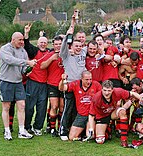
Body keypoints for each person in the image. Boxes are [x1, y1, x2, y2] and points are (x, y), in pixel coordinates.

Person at [0, 32, 36, 140]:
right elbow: (10, 60)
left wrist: (28, 69)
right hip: (6, 81)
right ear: (13, 39)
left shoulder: (23, 51)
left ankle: (21, 131)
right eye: (20, 40)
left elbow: (23, 68)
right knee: (6, 107)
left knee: (22, 105)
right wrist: (27, 62)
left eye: (22, 40)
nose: (22, 42)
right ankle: (7, 131)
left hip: (18, 82)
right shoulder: (5, 49)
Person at [88, 80, 141, 147]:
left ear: (112, 90)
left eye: (109, 90)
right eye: (104, 90)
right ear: (101, 89)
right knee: (100, 140)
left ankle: (123, 140)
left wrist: (142, 100)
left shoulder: (118, 91)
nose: (106, 93)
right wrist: (91, 128)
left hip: (112, 113)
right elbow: (91, 115)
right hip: (101, 116)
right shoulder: (96, 98)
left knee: (122, 112)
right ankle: (108, 129)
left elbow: (132, 93)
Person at [59, 13, 87, 141]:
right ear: (71, 46)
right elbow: (66, 41)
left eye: (80, 46)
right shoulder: (66, 54)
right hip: (70, 84)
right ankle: (63, 131)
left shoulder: (84, 51)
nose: (79, 48)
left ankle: (75, 130)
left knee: (78, 109)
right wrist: (72, 23)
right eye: (76, 46)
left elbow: (98, 40)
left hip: (81, 86)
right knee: (68, 108)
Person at [59, 71, 101, 141]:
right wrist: (62, 80)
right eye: (87, 80)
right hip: (81, 115)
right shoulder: (76, 84)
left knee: (90, 135)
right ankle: (83, 133)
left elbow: (102, 96)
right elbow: (62, 88)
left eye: (90, 79)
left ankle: (99, 131)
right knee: (71, 137)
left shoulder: (96, 85)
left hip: (92, 115)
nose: (89, 81)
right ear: (82, 79)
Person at [24, 23, 50, 136]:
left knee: (42, 107)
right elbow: (26, 44)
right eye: (41, 42)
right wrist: (26, 33)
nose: (43, 44)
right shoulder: (33, 51)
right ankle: (26, 126)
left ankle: (38, 127)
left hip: (44, 84)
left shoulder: (50, 52)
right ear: (38, 43)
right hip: (33, 82)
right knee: (29, 107)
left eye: (45, 42)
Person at [40, 35, 65, 137]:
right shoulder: (50, 54)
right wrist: (51, 59)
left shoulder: (67, 54)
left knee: (62, 107)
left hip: (64, 85)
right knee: (54, 106)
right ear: (53, 45)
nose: (58, 46)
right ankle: (52, 128)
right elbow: (42, 66)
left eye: (60, 44)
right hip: (52, 84)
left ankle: (60, 127)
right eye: (56, 44)